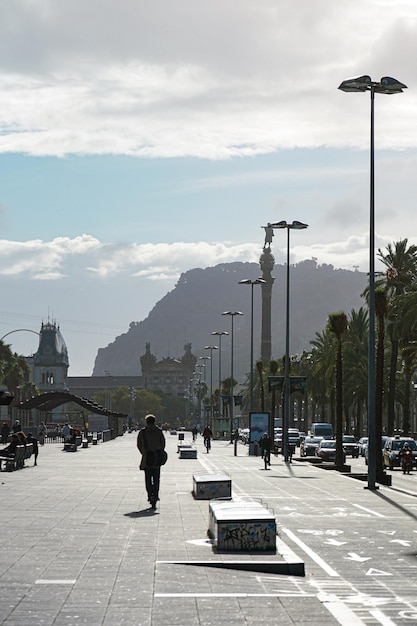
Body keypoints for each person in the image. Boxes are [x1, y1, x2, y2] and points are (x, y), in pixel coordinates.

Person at [137, 414, 166, 509]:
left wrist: (144, 453)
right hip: (157, 458)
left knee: (148, 478)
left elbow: (139, 444)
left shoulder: (143, 432)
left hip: (147, 458)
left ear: (146, 422)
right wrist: (158, 452)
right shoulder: (158, 431)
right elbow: (163, 443)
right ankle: (156, 494)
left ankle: (150, 495)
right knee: (156, 478)